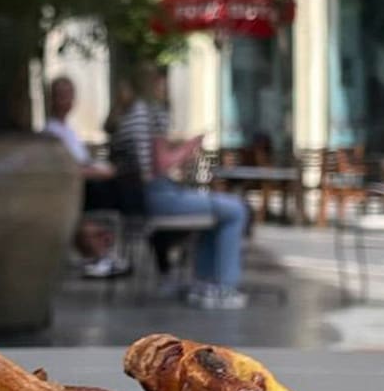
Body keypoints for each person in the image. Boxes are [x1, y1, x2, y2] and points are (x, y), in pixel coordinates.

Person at [112, 65, 251, 309]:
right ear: (154, 82)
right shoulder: (150, 115)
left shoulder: (130, 115)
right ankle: (223, 287)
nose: (165, 87)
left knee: (218, 213)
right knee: (235, 209)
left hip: (140, 197)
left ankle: (206, 282)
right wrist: (190, 145)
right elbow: (162, 164)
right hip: (156, 195)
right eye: (162, 81)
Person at [43, 76, 130, 277]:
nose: (67, 100)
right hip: (75, 190)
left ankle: (103, 252)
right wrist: (101, 172)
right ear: (52, 99)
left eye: (70, 95)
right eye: (62, 95)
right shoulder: (51, 132)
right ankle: (102, 252)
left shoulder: (68, 131)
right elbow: (67, 169)